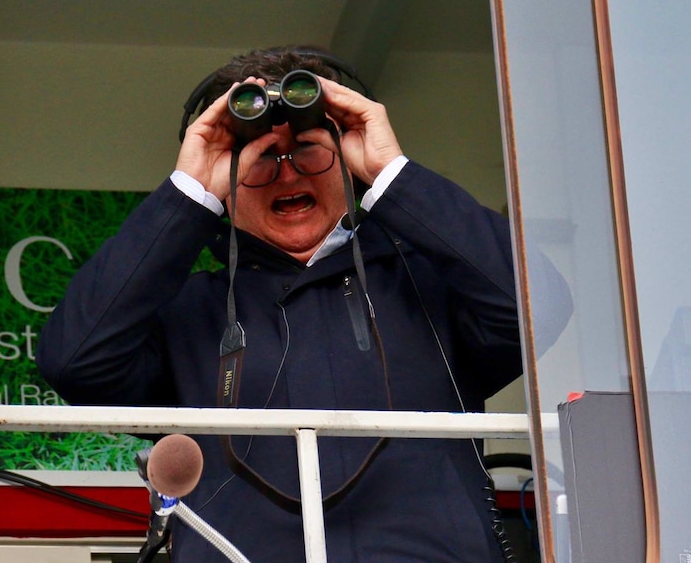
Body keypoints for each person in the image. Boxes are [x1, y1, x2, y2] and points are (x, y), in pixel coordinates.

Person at [36, 45, 571, 563]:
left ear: (347, 163)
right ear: (227, 184)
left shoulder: (426, 285)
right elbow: (75, 361)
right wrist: (190, 190)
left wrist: (390, 172)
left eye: (310, 149)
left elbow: (538, 305)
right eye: (262, 157)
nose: (287, 172)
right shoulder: (189, 313)